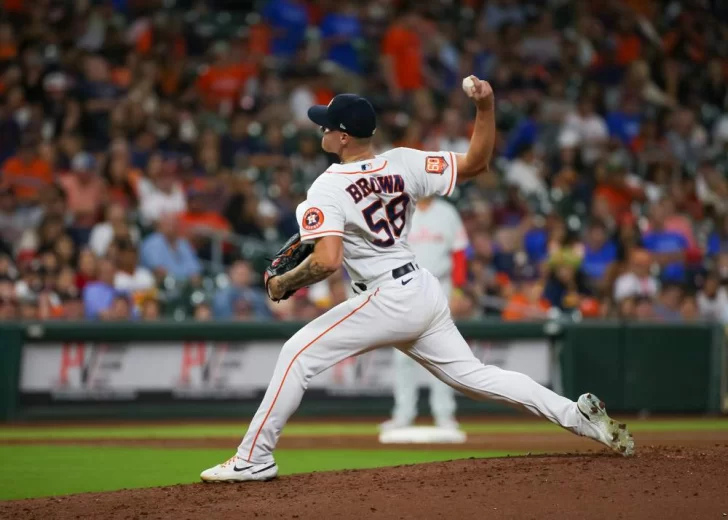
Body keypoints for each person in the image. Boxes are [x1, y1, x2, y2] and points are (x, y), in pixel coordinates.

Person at [200, 78, 634, 483]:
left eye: (326, 126)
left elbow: (328, 261)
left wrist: (285, 283)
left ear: (343, 136)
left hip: (385, 296)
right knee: (477, 377)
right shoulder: (403, 161)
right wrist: (485, 108)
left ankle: (254, 458)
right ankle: (577, 415)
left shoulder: (327, 187)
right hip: (422, 290)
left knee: (297, 354)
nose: (322, 131)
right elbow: (477, 162)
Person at [380, 195, 468, 431]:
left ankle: (444, 414)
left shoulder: (447, 212)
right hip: (404, 287)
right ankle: (403, 414)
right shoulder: (399, 210)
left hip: (441, 284)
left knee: (444, 351)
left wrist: (458, 290)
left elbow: (459, 253)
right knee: (402, 355)